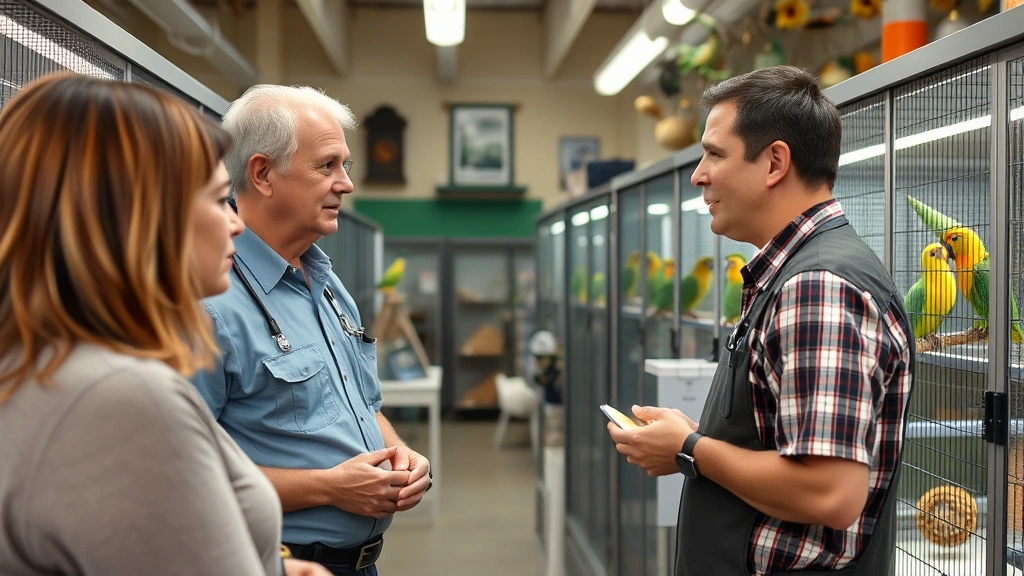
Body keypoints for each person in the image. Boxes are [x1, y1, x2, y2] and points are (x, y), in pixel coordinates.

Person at [0, 73, 329, 576]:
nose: (236, 223)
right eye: (220, 199)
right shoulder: (121, 396)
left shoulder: (41, 361)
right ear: (142, 215)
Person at [607, 66, 915, 575]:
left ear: (774, 162)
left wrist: (690, 448)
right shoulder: (789, 275)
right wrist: (699, 439)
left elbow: (829, 491)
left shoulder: (818, 286)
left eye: (714, 153)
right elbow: (785, 445)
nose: (698, 174)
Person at [191, 84, 431, 576]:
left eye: (344, 165)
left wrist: (398, 453)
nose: (345, 183)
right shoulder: (210, 305)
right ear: (262, 174)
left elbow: (364, 403)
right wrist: (328, 486)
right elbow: (186, 477)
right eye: (327, 166)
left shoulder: (323, 281)